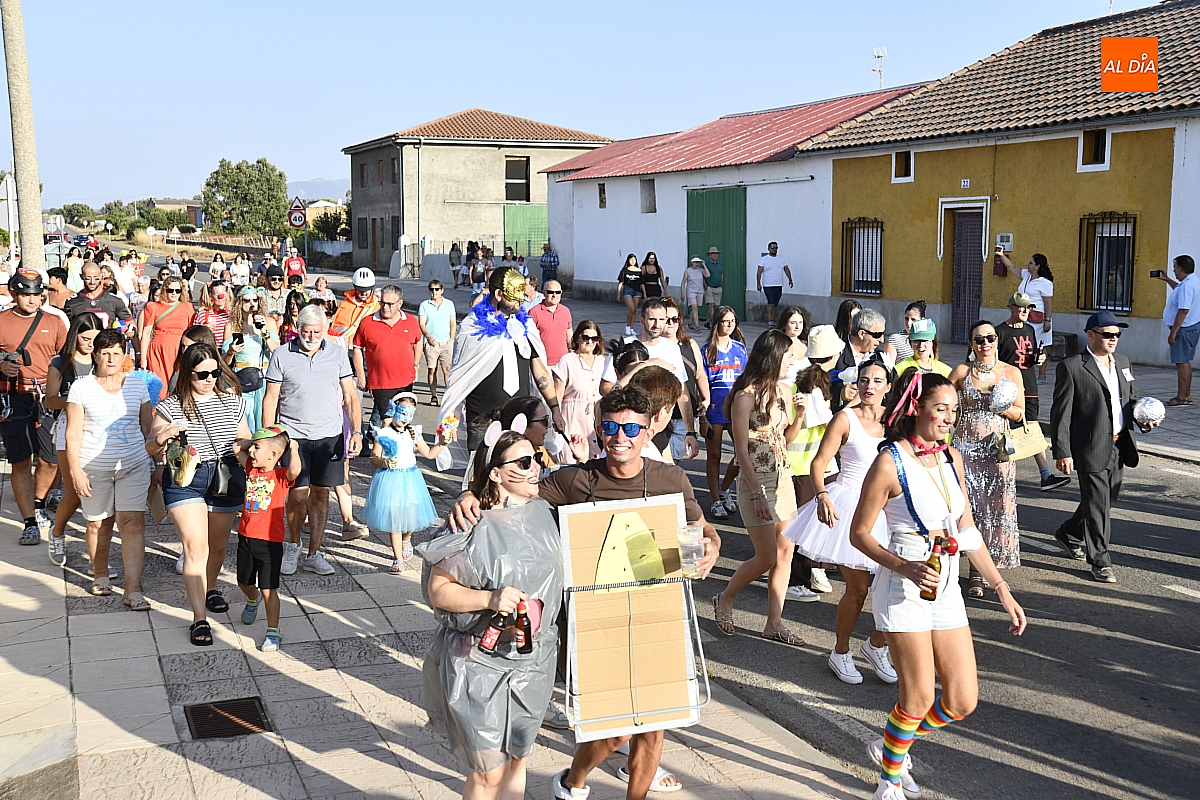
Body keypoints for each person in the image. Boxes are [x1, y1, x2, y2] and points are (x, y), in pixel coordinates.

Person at [449, 386, 721, 800]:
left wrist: (711, 548)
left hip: (657, 615)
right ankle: (574, 780)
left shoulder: (670, 479)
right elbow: (513, 492)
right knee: (616, 729)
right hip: (597, 623)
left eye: (632, 427)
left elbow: (702, 531)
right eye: (610, 427)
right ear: (598, 429)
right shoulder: (575, 480)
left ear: (649, 432)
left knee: (653, 723)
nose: (620, 437)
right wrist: (470, 495)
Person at [849, 369, 1027, 800]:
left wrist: (1002, 589)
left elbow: (966, 528)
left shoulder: (952, 459)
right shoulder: (890, 460)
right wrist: (903, 566)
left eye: (953, 410)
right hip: (902, 586)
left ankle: (892, 744)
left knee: (962, 701)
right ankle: (889, 780)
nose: (949, 418)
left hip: (945, 586)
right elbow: (859, 533)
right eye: (940, 409)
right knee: (917, 698)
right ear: (917, 409)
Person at [422, 428, 562, 800]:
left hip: (533, 658)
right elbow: (439, 591)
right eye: (524, 461)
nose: (535, 469)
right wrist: (489, 599)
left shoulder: (545, 511)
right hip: (477, 662)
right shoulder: (468, 523)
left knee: (518, 759)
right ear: (496, 473)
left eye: (537, 458)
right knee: (488, 771)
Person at [783, 355, 898, 684]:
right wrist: (821, 495)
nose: (869, 386)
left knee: (894, 587)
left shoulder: (894, 421)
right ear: (856, 383)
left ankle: (876, 646)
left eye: (877, 380)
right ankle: (841, 651)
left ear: (888, 387)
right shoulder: (844, 419)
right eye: (864, 379)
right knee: (859, 589)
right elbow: (819, 464)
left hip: (888, 510)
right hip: (850, 506)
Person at [147, 343, 251, 646]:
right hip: (185, 478)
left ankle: (209, 588)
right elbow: (151, 446)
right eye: (202, 374)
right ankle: (198, 618)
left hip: (224, 475)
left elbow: (243, 439)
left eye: (214, 372)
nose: (209, 379)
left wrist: (251, 450)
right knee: (196, 548)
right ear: (187, 373)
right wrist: (162, 437)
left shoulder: (233, 402)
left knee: (218, 546)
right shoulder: (171, 405)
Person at [713, 330, 804, 644]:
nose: (792, 362)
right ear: (773, 357)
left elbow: (785, 440)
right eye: (788, 357)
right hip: (757, 483)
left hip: (783, 478)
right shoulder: (745, 396)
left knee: (785, 552)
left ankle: (774, 623)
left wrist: (800, 416)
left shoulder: (780, 392)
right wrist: (756, 492)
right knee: (766, 557)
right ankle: (725, 597)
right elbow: (740, 450)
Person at [1051, 311, 1155, 583]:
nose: (1114, 340)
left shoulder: (1122, 362)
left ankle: (1070, 533)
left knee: (1105, 501)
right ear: (1091, 335)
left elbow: (1129, 400)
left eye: (1117, 335)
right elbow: (1061, 413)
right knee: (1097, 505)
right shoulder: (1073, 366)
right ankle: (1100, 560)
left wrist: (1143, 419)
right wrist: (1062, 451)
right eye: (1108, 334)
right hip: (1090, 446)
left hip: (1120, 445)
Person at [262, 305, 362, 577]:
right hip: (294, 438)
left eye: (317, 332)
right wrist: (268, 437)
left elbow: (351, 396)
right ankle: (293, 544)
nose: (312, 336)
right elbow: (270, 397)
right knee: (296, 495)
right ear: (297, 328)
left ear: (325, 330)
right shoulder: (282, 354)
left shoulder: (337, 354)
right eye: (306, 331)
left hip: (329, 437)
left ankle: (314, 554)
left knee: (321, 494)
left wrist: (357, 431)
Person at [63, 329, 154, 605]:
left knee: (133, 522)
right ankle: (100, 573)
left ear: (125, 355)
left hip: (133, 463)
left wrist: (158, 462)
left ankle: (132, 589)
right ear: (96, 355)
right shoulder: (81, 387)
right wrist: (75, 471)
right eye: (105, 353)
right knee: (98, 524)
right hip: (93, 466)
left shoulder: (137, 385)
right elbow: (73, 433)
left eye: (116, 353)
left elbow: (148, 427)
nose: (111, 359)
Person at [436, 267, 563, 462]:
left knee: (516, 476)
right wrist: (449, 413)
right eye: (515, 295)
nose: (521, 300)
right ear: (499, 294)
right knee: (481, 478)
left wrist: (554, 408)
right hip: (483, 418)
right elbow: (460, 374)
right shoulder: (473, 326)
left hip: (520, 418)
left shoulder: (525, 326)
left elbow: (540, 371)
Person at [949, 321, 1025, 598]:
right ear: (971, 344)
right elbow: (944, 401)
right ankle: (971, 571)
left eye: (990, 338)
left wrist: (1002, 406)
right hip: (966, 448)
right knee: (969, 509)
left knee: (994, 509)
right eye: (979, 339)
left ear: (996, 340)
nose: (985, 344)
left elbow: (1022, 415)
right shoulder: (961, 372)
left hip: (998, 449)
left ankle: (984, 569)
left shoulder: (1011, 372)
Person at [1, 269, 68, 545]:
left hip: (46, 396)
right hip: (13, 396)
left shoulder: (54, 321)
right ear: (14, 294)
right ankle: (29, 520)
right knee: (20, 460)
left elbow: (67, 359)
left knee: (50, 459)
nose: (32, 299)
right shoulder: (2, 321)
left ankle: (39, 503)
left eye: (37, 294)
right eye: (26, 294)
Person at [233, 425, 302, 652]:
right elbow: (236, 448)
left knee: (269, 588)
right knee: (243, 582)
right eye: (252, 447)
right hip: (245, 537)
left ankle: (273, 630)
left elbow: (295, 470)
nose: (252, 451)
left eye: (257, 448)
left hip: (269, 542)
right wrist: (253, 441)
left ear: (273, 455)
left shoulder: (281, 476)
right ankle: (252, 599)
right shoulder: (252, 469)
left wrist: (292, 448)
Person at [786, 325, 844, 596]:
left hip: (805, 462)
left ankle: (807, 574)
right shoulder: (816, 385)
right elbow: (825, 423)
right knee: (805, 525)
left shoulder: (806, 377)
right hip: (807, 464)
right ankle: (797, 580)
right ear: (832, 356)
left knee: (808, 522)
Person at [44, 312, 105, 566]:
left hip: (100, 429)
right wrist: (75, 400)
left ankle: (98, 558)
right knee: (74, 493)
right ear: (75, 337)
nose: (90, 343)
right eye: (85, 338)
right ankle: (57, 533)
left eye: (95, 338)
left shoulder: (102, 360)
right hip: (68, 428)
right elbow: (50, 400)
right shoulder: (61, 363)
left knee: (100, 495)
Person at [364, 394, 446, 572]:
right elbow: (373, 458)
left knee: (411, 518)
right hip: (391, 479)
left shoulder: (414, 432)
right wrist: (384, 462)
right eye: (401, 412)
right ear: (393, 410)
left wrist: (442, 443)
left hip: (410, 478)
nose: (404, 418)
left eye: (409, 414)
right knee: (395, 520)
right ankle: (398, 558)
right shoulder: (384, 433)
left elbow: (430, 454)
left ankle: (406, 538)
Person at [995, 292, 1069, 491]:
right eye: (1021, 307)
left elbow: (1031, 355)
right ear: (1011, 307)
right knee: (1004, 432)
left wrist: (1039, 360)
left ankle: (1045, 475)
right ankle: (1001, 476)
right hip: (1008, 390)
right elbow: (994, 362)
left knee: (1034, 429)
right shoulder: (999, 332)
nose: (1026, 311)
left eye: (1028, 308)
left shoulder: (1029, 330)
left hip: (1029, 386)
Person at [353, 284, 423, 431]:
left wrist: (416, 365)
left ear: (400, 303)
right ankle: (384, 451)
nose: (385, 307)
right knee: (387, 423)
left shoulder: (410, 321)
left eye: (390, 304)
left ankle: (395, 451)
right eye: (382, 303)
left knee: (402, 420)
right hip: (381, 383)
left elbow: (418, 341)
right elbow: (357, 348)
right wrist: (361, 375)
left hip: (405, 381)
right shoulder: (367, 323)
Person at [700, 306, 747, 519]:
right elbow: (701, 384)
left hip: (735, 409)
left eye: (732, 321)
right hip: (713, 410)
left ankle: (725, 489)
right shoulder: (706, 350)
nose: (729, 325)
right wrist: (702, 416)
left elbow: (745, 380)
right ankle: (715, 500)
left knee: (741, 453)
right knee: (714, 455)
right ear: (717, 322)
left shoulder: (740, 349)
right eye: (725, 321)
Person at [222, 287, 281, 430]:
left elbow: (277, 351)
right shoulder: (232, 326)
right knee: (246, 420)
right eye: (247, 300)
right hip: (244, 379)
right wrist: (230, 352)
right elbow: (224, 362)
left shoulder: (269, 322)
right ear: (239, 303)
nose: (251, 304)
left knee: (266, 420)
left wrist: (264, 333)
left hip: (266, 377)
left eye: (255, 300)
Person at [997, 250, 1055, 382]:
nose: (1027, 265)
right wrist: (1001, 256)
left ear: (1037, 266)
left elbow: (1048, 303)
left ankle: (1042, 374)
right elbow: (1012, 267)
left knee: (1041, 346)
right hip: (1024, 317)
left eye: (1030, 263)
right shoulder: (1027, 276)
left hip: (1039, 318)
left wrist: (1048, 320)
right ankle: (1024, 369)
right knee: (1024, 343)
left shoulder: (1045, 283)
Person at [553, 321, 606, 462]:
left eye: (594, 339)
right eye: (585, 337)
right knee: (572, 458)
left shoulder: (602, 361)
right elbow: (557, 393)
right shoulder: (567, 361)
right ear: (577, 338)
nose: (589, 342)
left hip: (597, 417)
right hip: (573, 417)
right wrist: (556, 415)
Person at [1156, 254, 1199, 406]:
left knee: (1181, 363)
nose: (1173, 271)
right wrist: (1167, 279)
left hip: (1184, 329)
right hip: (1191, 327)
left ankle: (1181, 398)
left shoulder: (1187, 285)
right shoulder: (1192, 281)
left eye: (1174, 268)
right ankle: (1186, 395)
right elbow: (1180, 291)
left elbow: (1183, 310)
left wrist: (1173, 332)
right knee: (1185, 362)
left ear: (1180, 268)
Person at [139, 277, 195, 388]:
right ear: (165, 290)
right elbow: (145, 334)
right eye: (170, 290)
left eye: (177, 291)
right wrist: (143, 359)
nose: (174, 293)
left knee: (178, 386)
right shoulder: (153, 307)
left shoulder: (188, 307)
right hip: (158, 350)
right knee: (160, 387)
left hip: (180, 351)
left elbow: (192, 333)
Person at [833, 308, 888, 410]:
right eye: (877, 335)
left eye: (883, 334)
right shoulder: (836, 353)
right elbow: (818, 387)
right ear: (861, 334)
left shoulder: (880, 357)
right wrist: (840, 394)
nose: (882, 340)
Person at [418, 280, 456, 406]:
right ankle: (434, 395)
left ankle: (449, 396)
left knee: (447, 369)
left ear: (442, 290)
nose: (434, 292)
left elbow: (453, 323)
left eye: (437, 289)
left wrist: (451, 340)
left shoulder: (449, 304)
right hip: (431, 343)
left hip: (446, 342)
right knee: (432, 370)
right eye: (432, 289)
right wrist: (428, 336)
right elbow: (422, 324)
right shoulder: (424, 305)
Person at [64, 262, 132, 329]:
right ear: (81, 276)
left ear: (101, 276)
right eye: (88, 278)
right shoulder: (72, 303)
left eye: (96, 278)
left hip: (107, 339)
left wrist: (126, 334)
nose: (92, 282)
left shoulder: (114, 301)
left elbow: (131, 325)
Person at [329, 267, 380, 341]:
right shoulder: (344, 304)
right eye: (360, 289)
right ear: (355, 287)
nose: (364, 293)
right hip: (342, 346)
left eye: (367, 289)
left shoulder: (377, 307)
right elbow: (334, 326)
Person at [529, 280, 572, 367]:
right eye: (550, 292)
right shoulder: (534, 312)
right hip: (541, 364)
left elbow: (569, 337)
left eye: (557, 292)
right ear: (543, 293)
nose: (554, 295)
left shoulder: (565, 311)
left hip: (563, 363)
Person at [756, 242, 793, 323]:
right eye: (772, 247)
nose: (774, 249)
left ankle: (773, 318)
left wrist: (790, 279)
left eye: (776, 247)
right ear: (768, 249)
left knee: (775, 302)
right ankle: (770, 319)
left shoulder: (782, 258)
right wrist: (758, 284)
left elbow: (786, 269)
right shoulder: (764, 259)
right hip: (768, 285)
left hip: (778, 284)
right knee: (771, 301)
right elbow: (759, 272)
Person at [193, 283, 232, 348]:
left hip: (229, 351)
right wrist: (202, 330)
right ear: (211, 296)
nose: (221, 296)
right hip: (210, 350)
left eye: (223, 292)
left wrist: (234, 313)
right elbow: (193, 335)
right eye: (217, 293)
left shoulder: (232, 313)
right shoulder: (202, 314)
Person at [616, 253, 643, 337]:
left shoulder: (639, 271)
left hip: (637, 291)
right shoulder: (624, 270)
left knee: (634, 310)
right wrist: (618, 293)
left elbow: (642, 283)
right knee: (631, 308)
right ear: (628, 260)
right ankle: (627, 326)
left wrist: (644, 292)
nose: (632, 261)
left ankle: (632, 327)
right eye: (631, 259)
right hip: (627, 290)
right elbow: (620, 283)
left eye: (634, 259)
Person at [703, 247, 723, 327]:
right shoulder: (706, 263)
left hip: (718, 287)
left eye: (716, 254)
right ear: (710, 255)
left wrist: (721, 285)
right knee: (711, 304)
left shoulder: (720, 263)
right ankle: (715, 323)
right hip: (709, 287)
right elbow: (703, 275)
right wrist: (706, 286)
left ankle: (707, 321)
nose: (715, 255)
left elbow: (721, 274)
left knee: (714, 305)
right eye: (713, 253)